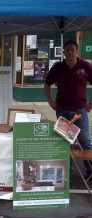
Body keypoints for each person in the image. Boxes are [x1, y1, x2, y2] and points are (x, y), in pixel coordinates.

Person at [44, 40, 92, 178]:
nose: (70, 53)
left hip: (80, 112)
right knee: (66, 141)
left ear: (77, 51)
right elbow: (47, 84)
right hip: (63, 110)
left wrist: (90, 103)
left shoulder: (86, 66)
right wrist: (50, 101)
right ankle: (68, 171)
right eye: (67, 50)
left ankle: (90, 170)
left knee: (85, 141)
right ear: (63, 52)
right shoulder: (58, 67)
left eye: (72, 50)